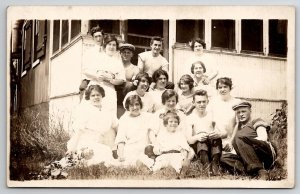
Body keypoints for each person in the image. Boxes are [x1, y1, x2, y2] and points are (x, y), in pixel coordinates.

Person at [222, 101, 276, 180]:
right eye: (238, 113)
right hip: (248, 157)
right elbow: (238, 149)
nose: (241, 114)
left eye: (243, 111)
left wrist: (246, 143)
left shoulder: (256, 121)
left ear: (250, 111)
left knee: (240, 137)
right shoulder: (237, 129)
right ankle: (251, 170)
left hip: (264, 153)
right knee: (223, 157)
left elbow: (263, 138)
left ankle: (260, 171)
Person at [67, 85, 118, 166]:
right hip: (86, 142)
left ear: (102, 96)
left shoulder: (108, 110)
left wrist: (122, 141)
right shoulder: (85, 111)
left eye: (98, 95)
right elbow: (78, 131)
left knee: (106, 151)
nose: (96, 97)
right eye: (93, 95)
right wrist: (72, 149)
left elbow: (116, 126)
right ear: (89, 97)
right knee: (105, 152)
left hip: (102, 142)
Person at [82, 35, 126, 116]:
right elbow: (85, 70)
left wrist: (109, 80)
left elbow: (122, 80)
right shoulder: (97, 57)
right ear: (105, 46)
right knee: (91, 112)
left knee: (107, 113)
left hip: (109, 89)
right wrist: (96, 75)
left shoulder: (118, 62)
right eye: (109, 44)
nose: (112, 47)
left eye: (114, 45)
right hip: (95, 85)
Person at [186, 90, 222, 175]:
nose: (202, 104)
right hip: (199, 148)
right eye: (199, 102)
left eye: (204, 102)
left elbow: (224, 132)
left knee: (216, 138)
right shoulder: (190, 118)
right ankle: (206, 166)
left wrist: (218, 134)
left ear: (207, 102)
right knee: (201, 139)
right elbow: (189, 140)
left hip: (212, 146)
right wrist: (197, 137)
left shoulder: (212, 115)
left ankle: (215, 165)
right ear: (193, 103)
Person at [114, 95, 154, 168]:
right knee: (127, 163)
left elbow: (152, 134)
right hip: (130, 148)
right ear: (128, 107)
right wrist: (121, 155)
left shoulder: (148, 117)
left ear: (140, 105)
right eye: (131, 105)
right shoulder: (124, 119)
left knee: (146, 157)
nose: (135, 107)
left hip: (144, 148)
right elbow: (121, 139)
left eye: (137, 104)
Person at [79, 26, 105, 101]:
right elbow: (84, 70)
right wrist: (96, 75)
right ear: (93, 38)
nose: (98, 39)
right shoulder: (88, 52)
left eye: (100, 36)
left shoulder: (106, 51)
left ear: (103, 37)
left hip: (104, 79)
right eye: (96, 37)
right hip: (90, 79)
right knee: (84, 90)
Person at [116, 43, 139, 117]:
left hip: (125, 95)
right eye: (124, 52)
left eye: (128, 52)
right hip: (114, 92)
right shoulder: (115, 65)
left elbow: (134, 83)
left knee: (129, 85)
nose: (126, 54)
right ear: (120, 54)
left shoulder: (135, 68)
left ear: (132, 54)